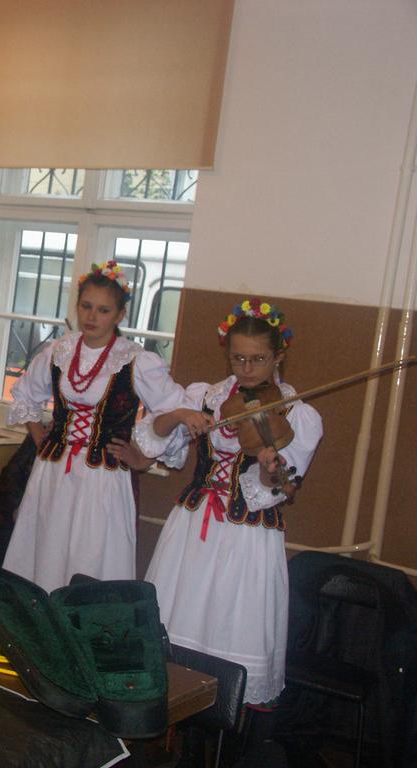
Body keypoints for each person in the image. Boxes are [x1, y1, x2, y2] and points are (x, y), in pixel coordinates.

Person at [136, 299, 322, 759]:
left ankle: (222, 750)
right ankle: (169, 748)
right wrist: (180, 416)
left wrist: (271, 471)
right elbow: (154, 438)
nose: (247, 368)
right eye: (238, 358)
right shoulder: (207, 396)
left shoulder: (297, 415)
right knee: (173, 633)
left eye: (258, 358)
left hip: (246, 538)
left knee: (231, 637)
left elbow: (278, 488)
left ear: (278, 356)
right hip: (192, 529)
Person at [1, 260, 187, 590]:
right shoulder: (59, 351)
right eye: (86, 306)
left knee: (90, 557)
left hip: (103, 479)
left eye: (103, 310)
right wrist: (38, 434)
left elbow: (177, 411)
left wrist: (143, 458)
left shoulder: (135, 360)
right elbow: (26, 394)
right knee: (45, 551)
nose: (91, 316)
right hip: (53, 473)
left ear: (119, 315)